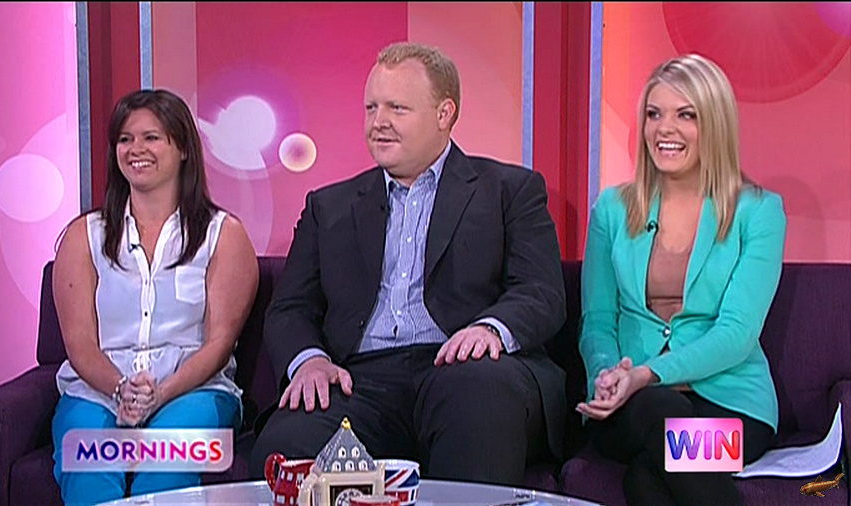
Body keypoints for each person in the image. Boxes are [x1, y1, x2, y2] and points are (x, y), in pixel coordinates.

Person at [247, 41, 567, 487]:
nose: (378, 122)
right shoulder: (329, 206)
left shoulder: (509, 190)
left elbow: (541, 291)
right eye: (371, 107)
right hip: (360, 383)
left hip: (467, 369)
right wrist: (310, 361)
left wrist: (489, 330)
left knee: (477, 399)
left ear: (444, 114)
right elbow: (290, 308)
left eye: (397, 108)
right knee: (288, 442)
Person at [576, 54, 786, 505]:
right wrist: (607, 374)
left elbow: (737, 333)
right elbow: (598, 320)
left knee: (649, 475)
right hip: (631, 407)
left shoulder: (758, 211)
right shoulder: (612, 210)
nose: (664, 129)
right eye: (654, 114)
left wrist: (649, 374)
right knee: (658, 409)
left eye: (685, 115)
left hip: (735, 413)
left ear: (715, 124)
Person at [50, 89, 259, 505]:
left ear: (182, 148)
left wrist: (160, 395)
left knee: (165, 462)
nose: (136, 150)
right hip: (98, 391)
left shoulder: (223, 234)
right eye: (125, 139)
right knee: (89, 470)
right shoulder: (83, 236)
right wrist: (121, 390)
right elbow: (80, 344)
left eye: (151, 138)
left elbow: (219, 345)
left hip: (195, 391)